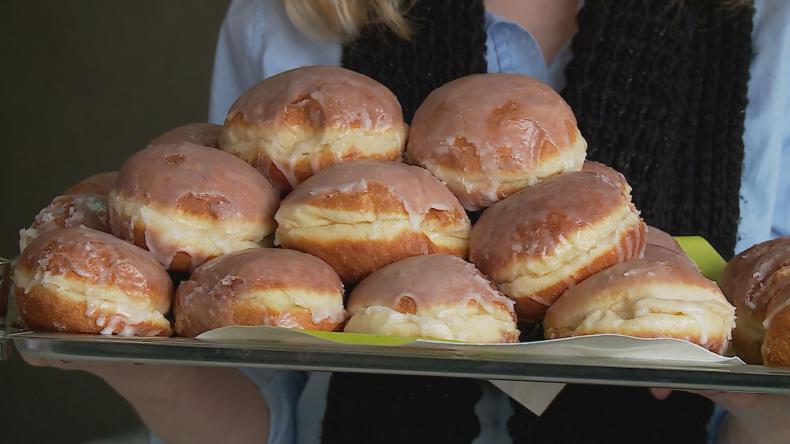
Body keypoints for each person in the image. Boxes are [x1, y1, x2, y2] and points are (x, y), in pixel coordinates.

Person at [25, 0, 790, 443]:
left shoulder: (772, 30)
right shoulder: (288, 20)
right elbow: (262, 406)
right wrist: (122, 347)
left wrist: (764, 407)